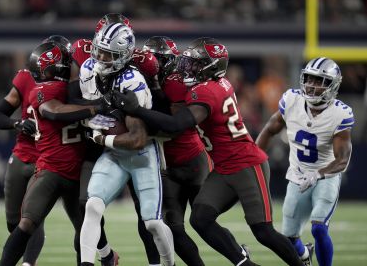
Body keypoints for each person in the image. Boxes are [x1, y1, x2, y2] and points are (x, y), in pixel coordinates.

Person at [112, 37, 304, 266]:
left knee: (263, 231)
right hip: (222, 167)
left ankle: (300, 262)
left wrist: (136, 110)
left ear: (209, 67)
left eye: (194, 64)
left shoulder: (205, 91)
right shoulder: (213, 84)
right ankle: (245, 263)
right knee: (200, 219)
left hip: (245, 164)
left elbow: (175, 125)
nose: (186, 69)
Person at [78, 22, 175, 266]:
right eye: (98, 50)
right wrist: (99, 125)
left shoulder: (132, 81)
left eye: (107, 54)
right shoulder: (88, 69)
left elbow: (137, 138)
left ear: (123, 55)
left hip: (141, 154)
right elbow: (92, 115)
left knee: (152, 222)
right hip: (114, 154)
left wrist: (102, 137)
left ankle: (168, 263)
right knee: (92, 206)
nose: (99, 57)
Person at [0, 41, 100, 266]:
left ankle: (106, 255)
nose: (38, 75)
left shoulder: (83, 86)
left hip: (78, 170)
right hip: (51, 170)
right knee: (26, 223)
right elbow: (53, 112)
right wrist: (96, 107)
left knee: (87, 229)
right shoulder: (46, 90)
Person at [256, 57, 353, 266]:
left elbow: (343, 159)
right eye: (309, 79)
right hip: (297, 175)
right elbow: (269, 130)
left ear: (331, 85)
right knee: (289, 238)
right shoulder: (292, 101)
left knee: (318, 227)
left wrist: (318, 174)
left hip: (325, 176)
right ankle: (304, 256)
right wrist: (252, 158)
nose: (312, 85)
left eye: (319, 81)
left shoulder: (339, 114)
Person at [143, 36, 209, 266]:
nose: (154, 65)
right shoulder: (141, 82)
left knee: (205, 224)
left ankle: (239, 256)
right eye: (151, 60)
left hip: (191, 161)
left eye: (160, 60)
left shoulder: (177, 81)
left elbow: (172, 126)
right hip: (166, 166)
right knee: (173, 229)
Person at [0, 37, 52, 266]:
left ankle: (29, 263)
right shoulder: (26, 77)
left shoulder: (70, 84)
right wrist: (17, 124)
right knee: (13, 221)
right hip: (22, 152)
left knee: (32, 218)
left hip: (47, 158)